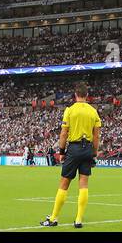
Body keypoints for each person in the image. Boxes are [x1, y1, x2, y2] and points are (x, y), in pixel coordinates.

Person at [41, 81, 101, 229]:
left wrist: (61, 152)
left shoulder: (70, 110)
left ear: (75, 95)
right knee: (84, 184)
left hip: (73, 149)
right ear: (87, 96)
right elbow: (96, 135)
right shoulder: (93, 111)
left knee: (64, 183)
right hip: (87, 148)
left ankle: (54, 218)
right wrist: (94, 153)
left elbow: (63, 133)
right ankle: (79, 219)